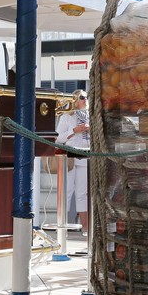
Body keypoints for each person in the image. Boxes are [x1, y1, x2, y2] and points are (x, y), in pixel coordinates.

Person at [55, 89, 90, 232]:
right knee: (67, 192)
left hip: (86, 156)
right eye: (82, 97)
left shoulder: (91, 116)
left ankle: (86, 229)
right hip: (69, 158)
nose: (85, 99)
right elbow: (58, 138)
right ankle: (61, 229)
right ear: (75, 100)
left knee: (83, 194)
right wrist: (74, 131)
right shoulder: (66, 117)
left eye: (87, 97)